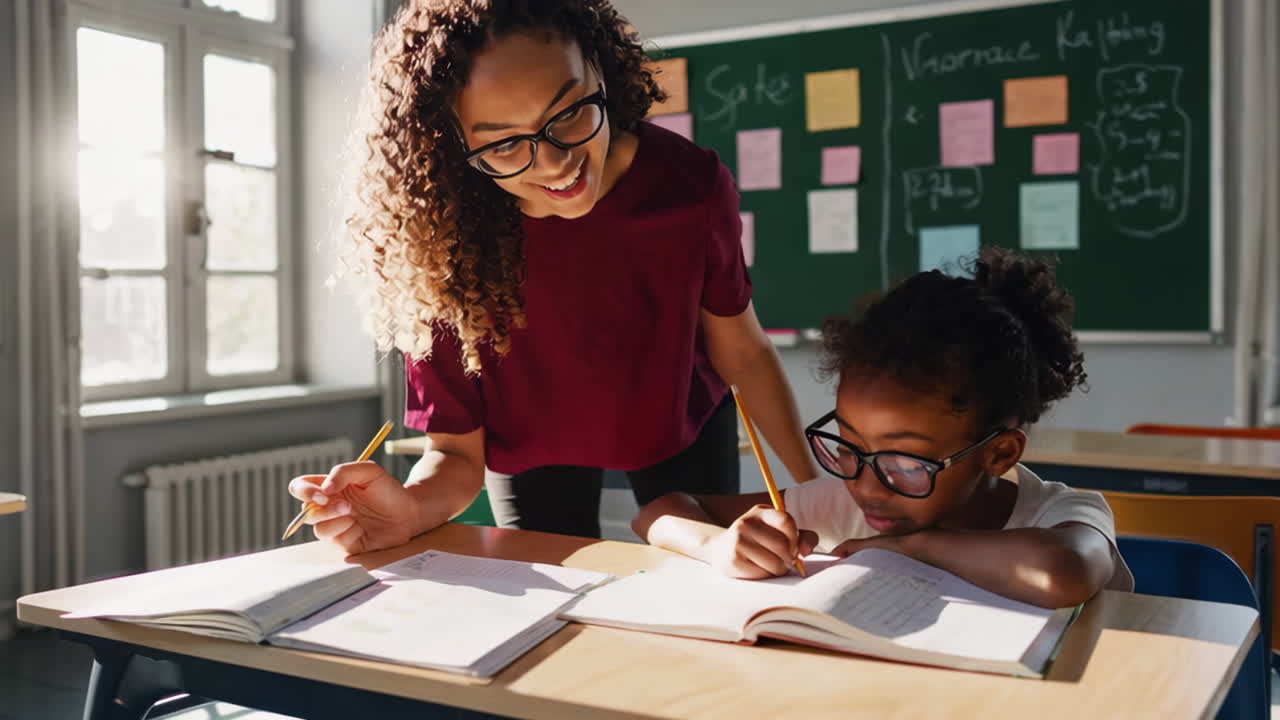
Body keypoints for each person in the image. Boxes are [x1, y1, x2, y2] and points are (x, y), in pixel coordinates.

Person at [289, 0, 817, 552]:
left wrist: (814, 491)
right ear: (455, 145)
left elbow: (745, 352)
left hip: (678, 421)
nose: (556, 162)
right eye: (505, 143)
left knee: (717, 575)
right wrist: (411, 511)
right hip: (532, 446)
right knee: (553, 593)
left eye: (569, 113)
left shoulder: (689, 186)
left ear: (599, 67)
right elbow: (456, 452)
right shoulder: (439, 243)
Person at [633, 248, 1135, 608]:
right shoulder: (840, 505)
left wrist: (911, 548)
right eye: (848, 447)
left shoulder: (1060, 512)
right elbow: (658, 513)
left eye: (902, 462)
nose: (866, 486)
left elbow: (1063, 573)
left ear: (999, 453)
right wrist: (718, 545)